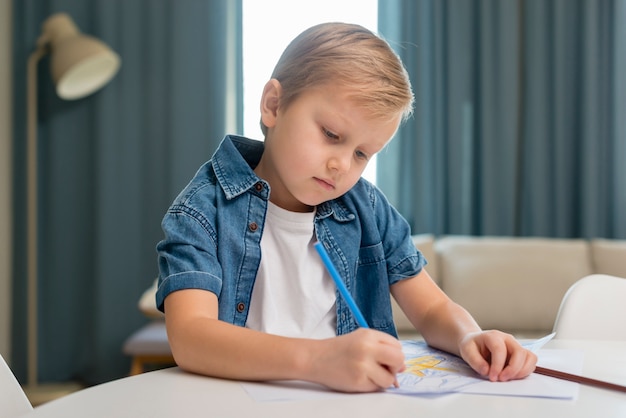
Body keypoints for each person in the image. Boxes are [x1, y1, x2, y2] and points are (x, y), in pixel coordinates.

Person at [155, 22, 537, 393]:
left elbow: (433, 309)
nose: (342, 165)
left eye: (361, 153)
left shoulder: (366, 208)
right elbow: (191, 337)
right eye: (331, 135)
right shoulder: (202, 210)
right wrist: (317, 361)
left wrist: (469, 335)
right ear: (274, 105)